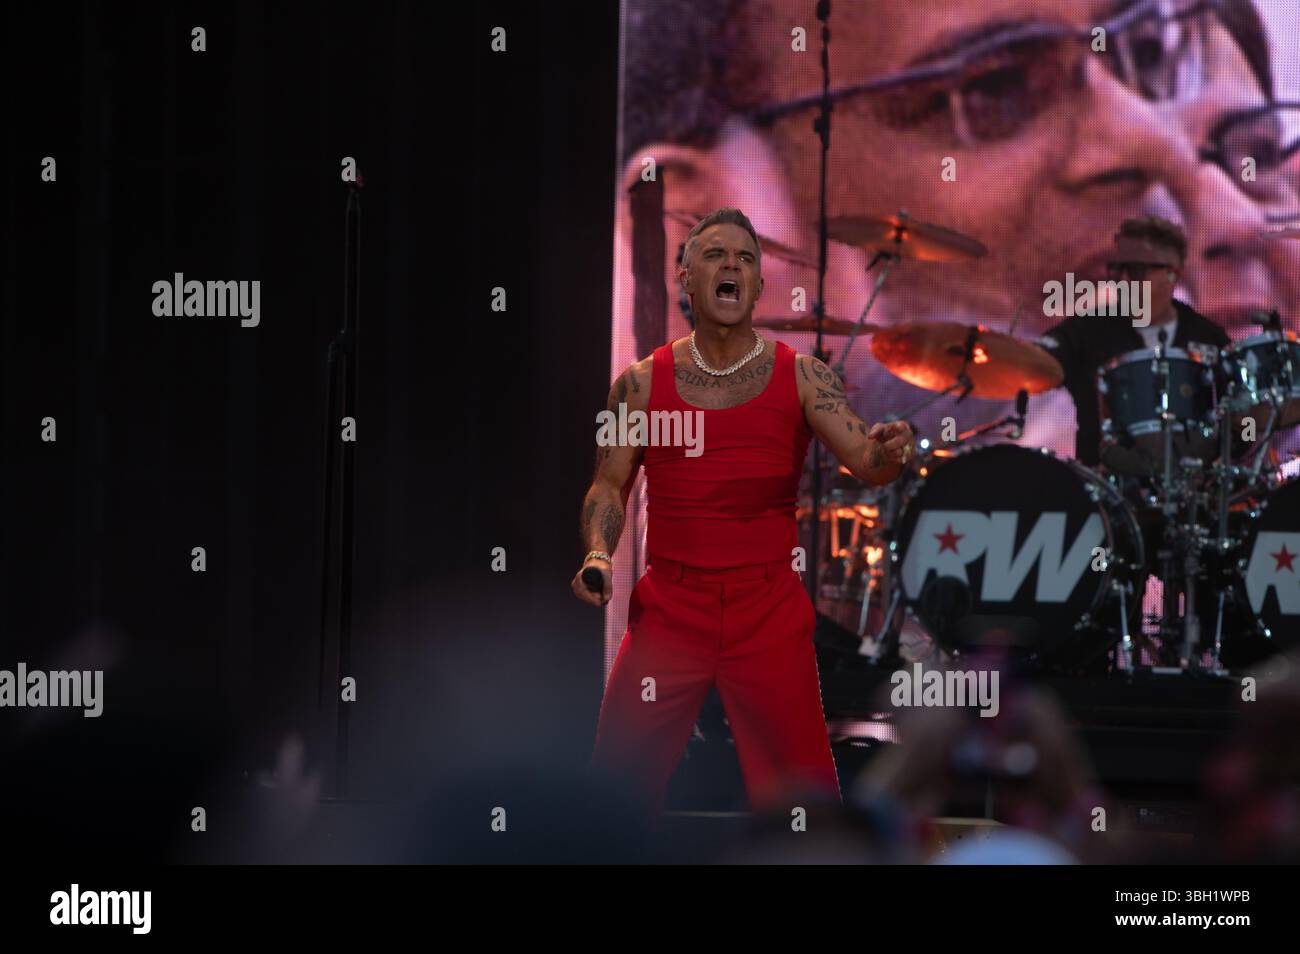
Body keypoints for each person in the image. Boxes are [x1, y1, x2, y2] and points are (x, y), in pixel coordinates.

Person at [574, 208, 914, 816]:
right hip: (672, 610)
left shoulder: (805, 377)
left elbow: (869, 461)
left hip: (767, 610)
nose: (732, 265)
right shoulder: (640, 384)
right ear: (685, 278)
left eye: (746, 258)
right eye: (714, 255)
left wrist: (892, 452)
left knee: (804, 804)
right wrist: (598, 554)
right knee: (611, 793)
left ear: (758, 286)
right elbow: (608, 484)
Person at [1038, 215, 1231, 467]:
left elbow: (1240, 415)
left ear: (1172, 275)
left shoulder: (1208, 337)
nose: (1123, 280)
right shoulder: (1088, 329)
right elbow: (1037, 361)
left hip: (1196, 490)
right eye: (1117, 269)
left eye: (1136, 271)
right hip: (1103, 489)